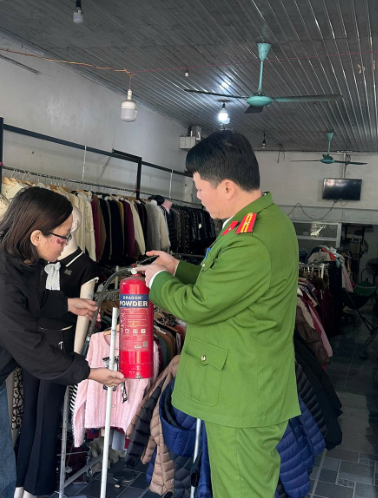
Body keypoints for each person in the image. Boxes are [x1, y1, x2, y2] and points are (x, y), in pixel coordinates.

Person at [0, 187, 124, 498]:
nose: (67, 243)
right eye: (62, 237)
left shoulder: (19, 258)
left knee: (1, 477)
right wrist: (90, 372)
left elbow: (32, 297)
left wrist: (67, 304)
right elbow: (33, 351)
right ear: (36, 236)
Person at [136, 131, 300, 497]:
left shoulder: (250, 239)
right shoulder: (267, 223)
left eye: (199, 188)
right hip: (249, 384)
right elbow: (229, 287)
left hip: (241, 393)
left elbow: (198, 305)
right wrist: (177, 268)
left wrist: (157, 280)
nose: (197, 196)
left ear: (227, 187)